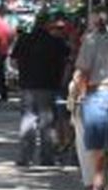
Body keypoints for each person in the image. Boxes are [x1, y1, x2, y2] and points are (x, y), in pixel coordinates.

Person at [70, 12, 108, 190]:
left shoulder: (90, 41)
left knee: (96, 144)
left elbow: (82, 71)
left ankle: (97, 186)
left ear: (94, 22)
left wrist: (83, 93)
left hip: (96, 93)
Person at [12, 17, 70, 167]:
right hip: (48, 85)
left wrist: (23, 71)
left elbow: (13, 61)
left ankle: (25, 157)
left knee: (27, 121)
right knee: (47, 122)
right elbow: (67, 59)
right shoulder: (56, 42)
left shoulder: (24, 39)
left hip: (27, 86)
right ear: (47, 25)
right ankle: (47, 158)